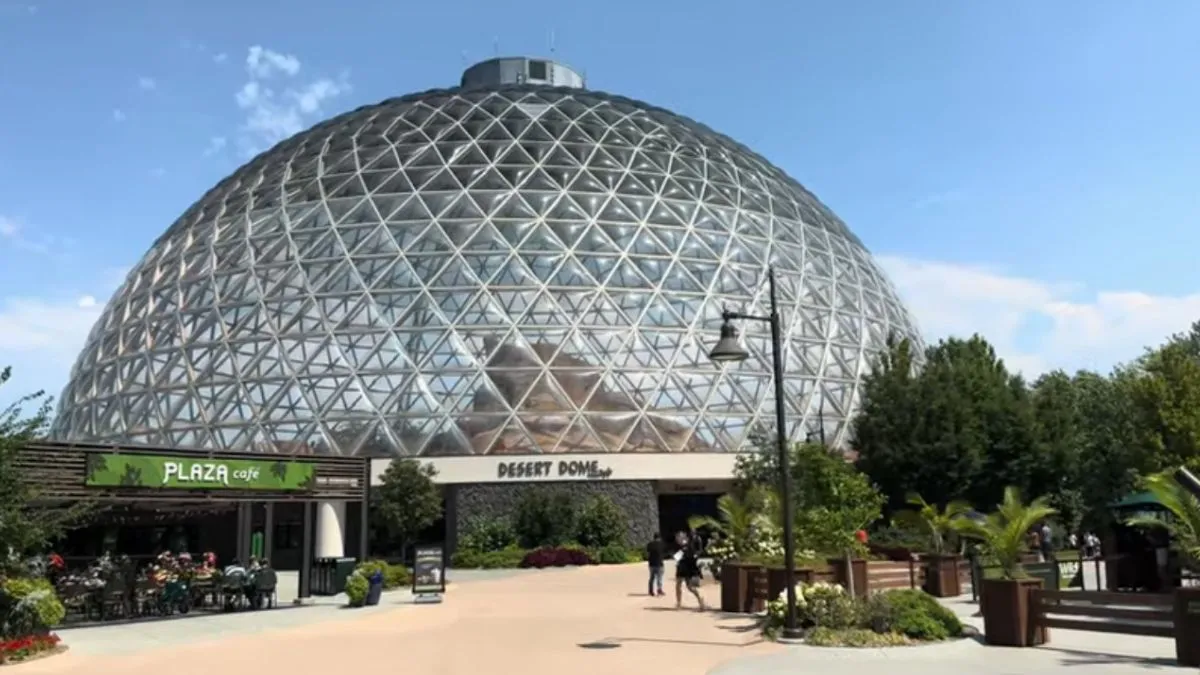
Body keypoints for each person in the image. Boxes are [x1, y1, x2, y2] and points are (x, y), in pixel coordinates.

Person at [674, 532, 706, 611]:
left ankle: (700, 599)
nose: (677, 540)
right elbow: (677, 557)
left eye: (678, 538)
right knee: (678, 585)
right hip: (681, 567)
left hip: (686, 568)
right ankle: (679, 603)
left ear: (682, 538)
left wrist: (679, 556)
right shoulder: (682, 546)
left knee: (689, 587)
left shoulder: (687, 546)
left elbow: (687, 556)